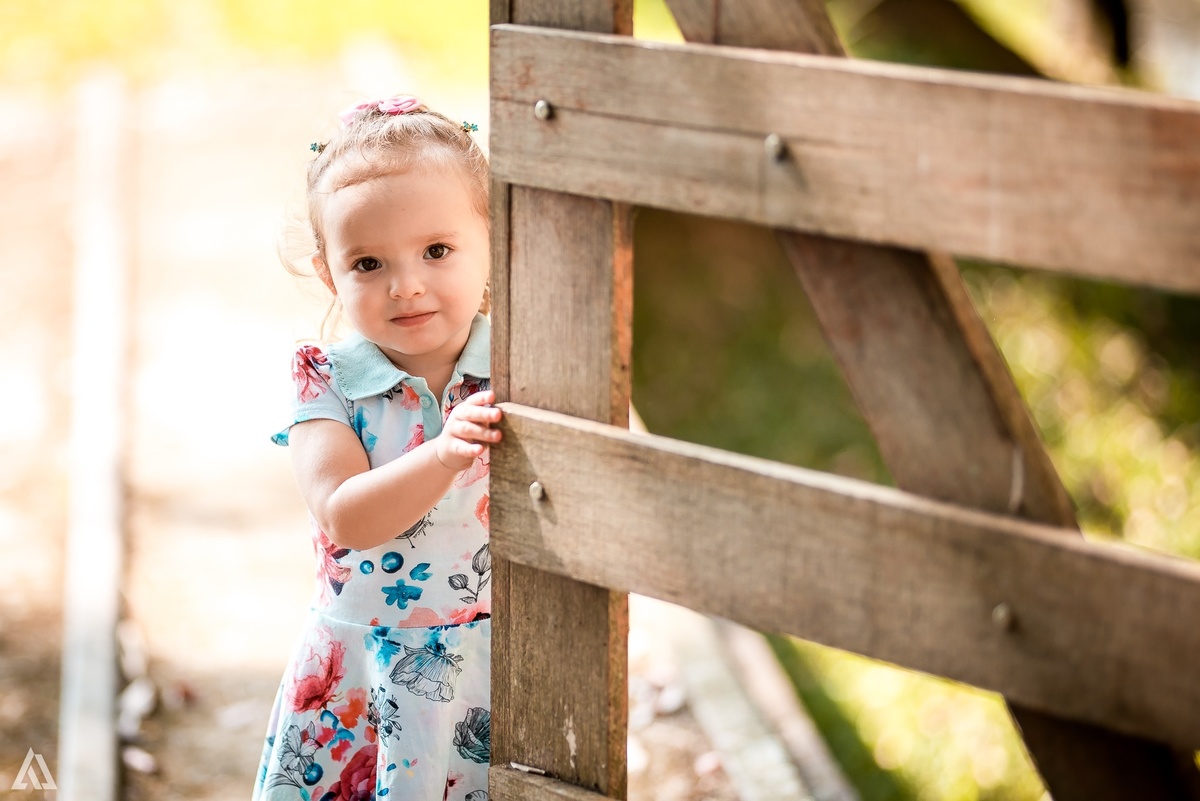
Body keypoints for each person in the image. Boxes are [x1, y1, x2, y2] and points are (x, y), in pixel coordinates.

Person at [253, 94, 499, 801]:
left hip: (488, 662)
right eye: (368, 262)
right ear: (330, 273)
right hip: (367, 664)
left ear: (492, 243)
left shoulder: (519, 370)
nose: (407, 283)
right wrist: (446, 452)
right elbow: (344, 515)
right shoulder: (327, 384)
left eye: (438, 250)